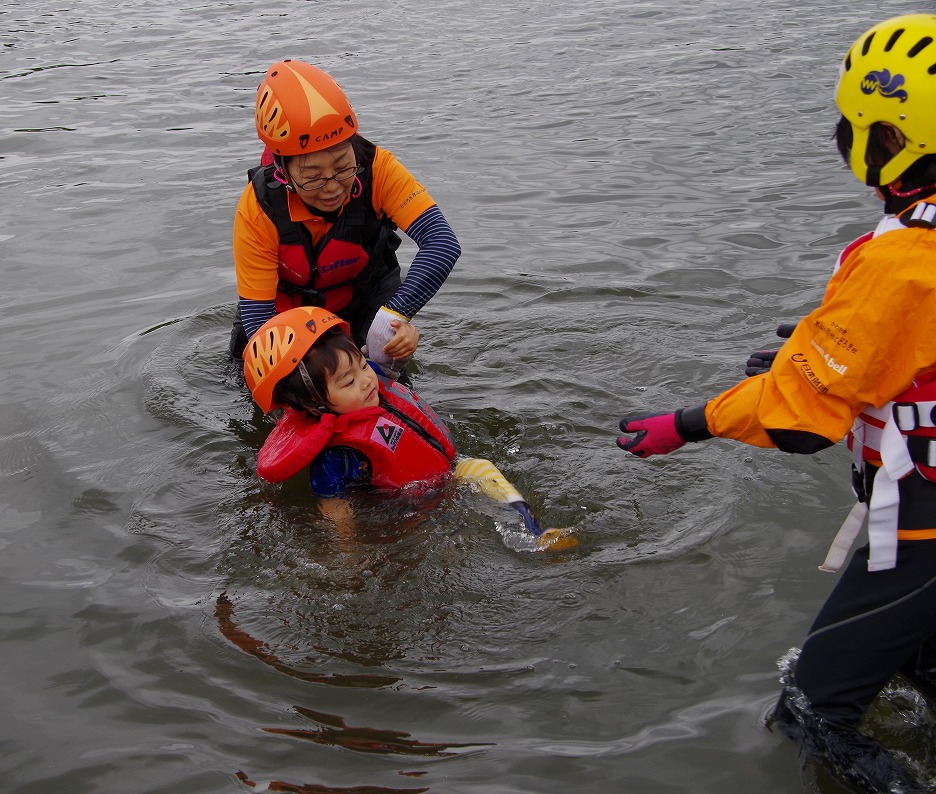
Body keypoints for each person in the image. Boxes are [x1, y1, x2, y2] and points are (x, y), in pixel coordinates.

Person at [616, 14, 936, 793]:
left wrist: (687, 423)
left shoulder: (900, 263)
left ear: (887, 141)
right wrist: (816, 341)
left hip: (923, 532)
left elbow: (797, 425)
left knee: (809, 710)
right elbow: (900, 341)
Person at [243, 306, 574, 550]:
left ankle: (534, 534)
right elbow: (335, 507)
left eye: (361, 364)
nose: (367, 379)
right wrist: (348, 549)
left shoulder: (372, 383)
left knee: (482, 469)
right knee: (444, 543)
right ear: (313, 405)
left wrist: (404, 333)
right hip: (400, 506)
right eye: (348, 381)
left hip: (448, 473)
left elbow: (389, 349)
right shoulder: (335, 454)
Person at [230, 59, 461, 378]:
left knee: (386, 384)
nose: (332, 187)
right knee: (248, 388)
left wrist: (394, 319)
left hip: (363, 304)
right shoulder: (258, 206)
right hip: (282, 322)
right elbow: (258, 321)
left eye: (343, 167)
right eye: (312, 176)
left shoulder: (379, 169)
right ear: (283, 172)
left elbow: (442, 244)